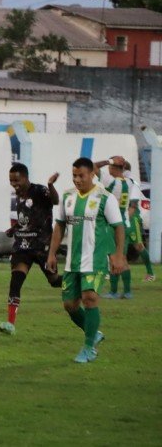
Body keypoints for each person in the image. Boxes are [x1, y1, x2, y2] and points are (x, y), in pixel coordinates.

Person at [47, 157, 127, 364]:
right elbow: (59, 226)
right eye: (74, 175)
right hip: (73, 262)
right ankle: (94, 333)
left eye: (81, 175)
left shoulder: (104, 198)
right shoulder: (67, 197)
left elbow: (118, 227)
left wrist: (119, 255)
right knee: (70, 305)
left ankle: (89, 348)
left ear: (92, 174)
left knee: (90, 297)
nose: (77, 179)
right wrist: (52, 253)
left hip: (96, 260)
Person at [0, 163, 61, 336]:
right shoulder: (19, 195)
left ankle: (80, 283)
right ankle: (10, 323)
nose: (14, 183)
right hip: (22, 246)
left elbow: (55, 201)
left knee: (55, 282)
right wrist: (15, 228)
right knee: (15, 281)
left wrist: (51, 185)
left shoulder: (39, 191)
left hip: (42, 246)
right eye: (11, 180)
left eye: (17, 180)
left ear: (25, 177)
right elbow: (27, 219)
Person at [95, 156, 139, 298]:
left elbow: (93, 166)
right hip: (124, 223)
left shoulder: (111, 181)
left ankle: (113, 291)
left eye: (110, 166)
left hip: (112, 224)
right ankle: (127, 292)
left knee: (113, 257)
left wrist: (108, 161)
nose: (108, 168)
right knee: (123, 258)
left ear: (114, 167)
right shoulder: (130, 182)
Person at [122, 161, 155, 283]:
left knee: (138, 245)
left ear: (123, 168)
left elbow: (133, 203)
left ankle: (150, 273)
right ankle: (112, 272)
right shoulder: (123, 181)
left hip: (132, 217)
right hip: (124, 217)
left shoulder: (130, 182)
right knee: (118, 247)